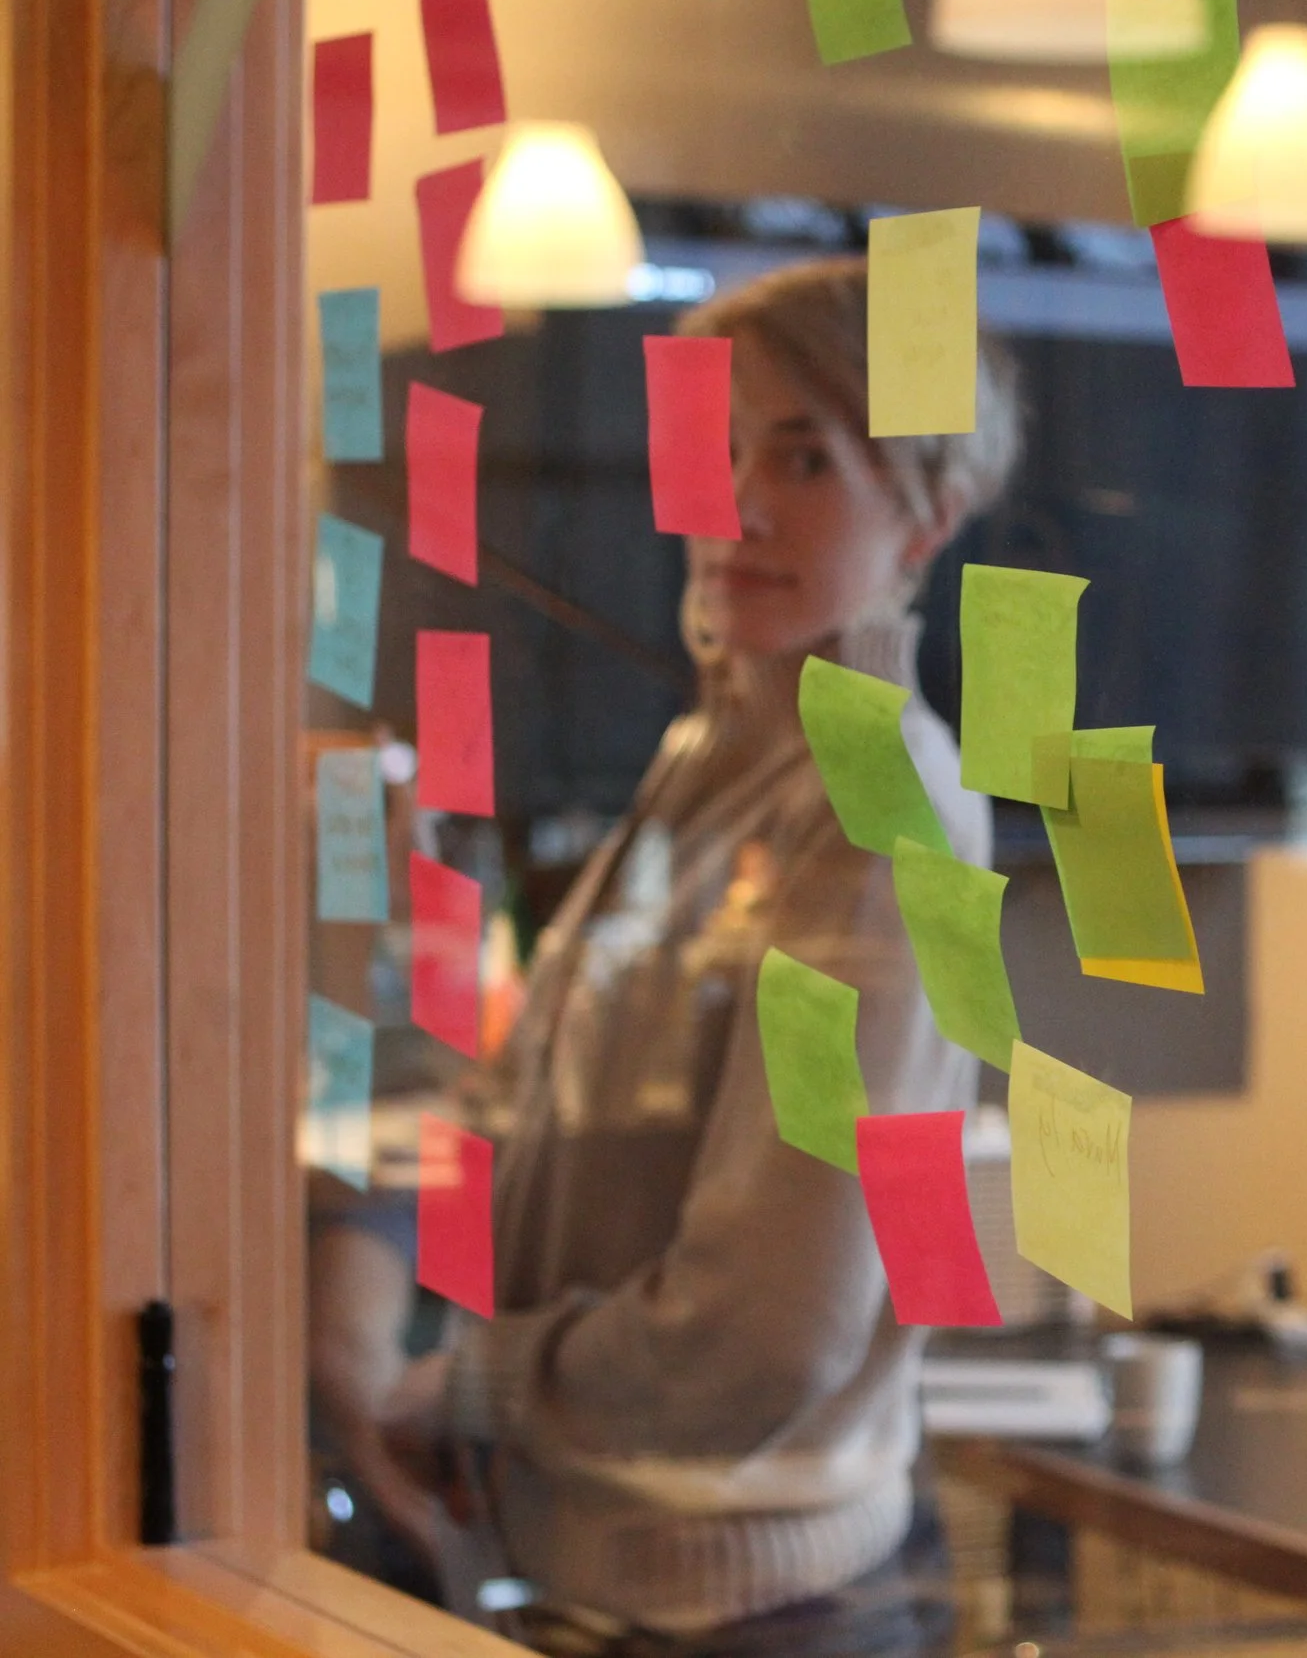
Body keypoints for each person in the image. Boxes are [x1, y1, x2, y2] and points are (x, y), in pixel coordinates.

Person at [369, 259, 1021, 1654]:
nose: (735, 500)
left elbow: (768, 1331)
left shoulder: (878, 801)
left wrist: (476, 1380)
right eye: (715, 448)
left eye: (803, 456)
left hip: (754, 1609)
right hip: (601, 1576)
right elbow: (551, 1104)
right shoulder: (711, 753)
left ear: (930, 511)